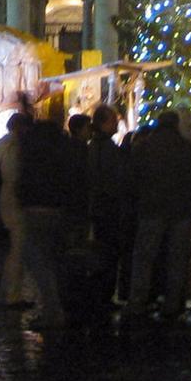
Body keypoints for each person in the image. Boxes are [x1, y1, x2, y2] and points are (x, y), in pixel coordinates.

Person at [126, 109, 191, 320]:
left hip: (151, 209)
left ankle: (137, 301)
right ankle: (172, 303)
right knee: (176, 258)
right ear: (176, 125)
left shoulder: (145, 147)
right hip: (181, 211)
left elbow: (133, 178)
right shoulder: (187, 148)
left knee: (144, 257)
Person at [16, 105, 80, 330]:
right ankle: (55, 308)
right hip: (57, 210)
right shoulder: (62, 153)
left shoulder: (31, 154)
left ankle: (52, 311)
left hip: (35, 209)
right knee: (52, 260)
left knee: (36, 260)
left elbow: (22, 181)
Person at [86, 105, 132, 311]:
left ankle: (100, 296)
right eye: (113, 120)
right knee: (107, 254)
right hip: (108, 210)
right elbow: (114, 181)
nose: (117, 124)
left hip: (101, 208)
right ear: (104, 122)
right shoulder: (106, 149)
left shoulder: (96, 146)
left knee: (103, 254)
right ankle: (103, 297)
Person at [0, 110, 32, 307]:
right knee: (18, 246)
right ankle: (12, 294)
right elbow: (14, 173)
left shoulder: (3, 145)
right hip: (14, 197)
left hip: (6, 196)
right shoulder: (15, 147)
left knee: (14, 246)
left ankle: (6, 290)